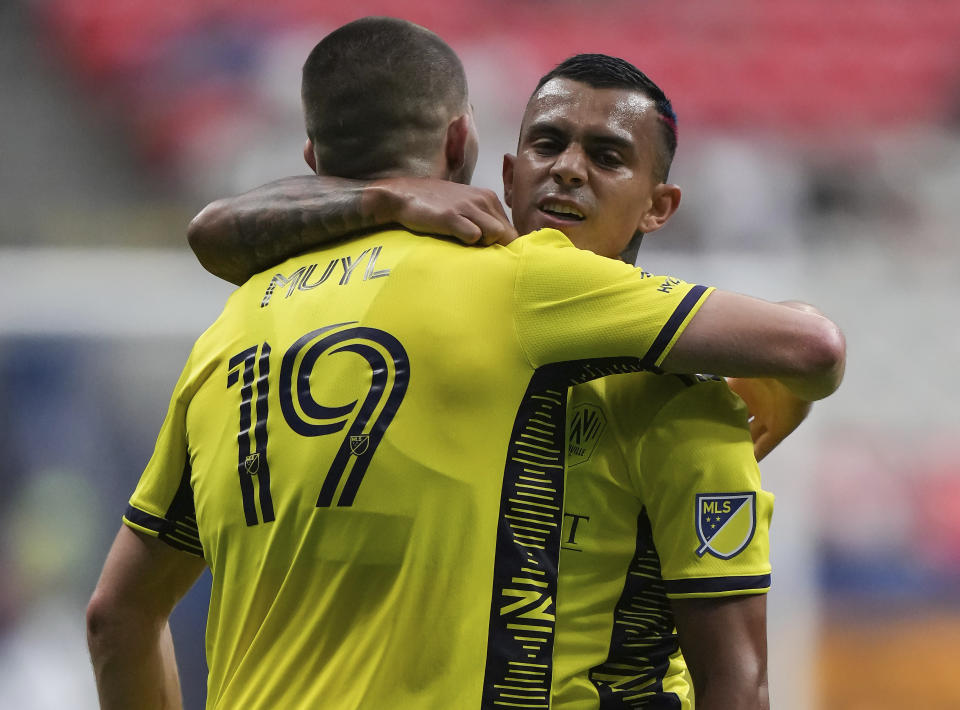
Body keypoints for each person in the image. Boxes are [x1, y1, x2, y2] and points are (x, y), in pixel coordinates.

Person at [87, 18, 844, 710]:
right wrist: (793, 382)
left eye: (608, 156)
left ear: (661, 204)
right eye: (548, 146)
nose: (570, 171)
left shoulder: (233, 327)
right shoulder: (499, 292)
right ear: (493, 168)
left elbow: (736, 679)